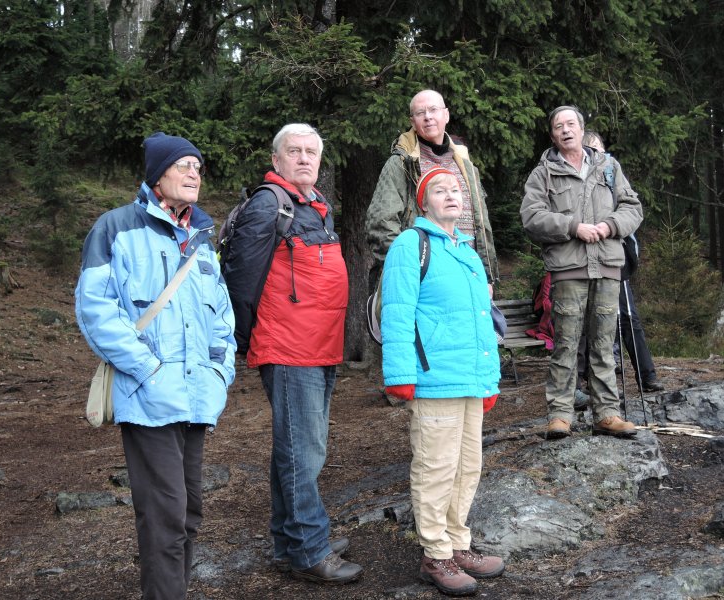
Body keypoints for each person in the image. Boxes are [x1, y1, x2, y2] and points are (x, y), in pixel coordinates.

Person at [75, 132, 236, 599]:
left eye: (198, 168)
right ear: (157, 175)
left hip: (197, 396)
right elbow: (95, 310)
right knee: (165, 512)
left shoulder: (203, 240)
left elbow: (222, 319)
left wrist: (219, 372)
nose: (194, 174)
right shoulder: (115, 228)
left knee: (189, 512)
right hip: (148, 398)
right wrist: (146, 369)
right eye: (183, 165)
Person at [222, 123, 363, 584]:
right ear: (277, 159)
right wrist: (248, 341)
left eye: (311, 152)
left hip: (320, 347)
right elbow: (241, 280)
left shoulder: (315, 208)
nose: (304, 159)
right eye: (294, 151)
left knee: (298, 448)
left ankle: (289, 539)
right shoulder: (270, 204)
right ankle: (309, 549)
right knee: (304, 451)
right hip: (288, 349)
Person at [381, 167, 504, 596]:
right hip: (434, 380)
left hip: (469, 379)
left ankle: (457, 543)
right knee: (436, 468)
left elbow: (481, 324)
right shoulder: (409, 245)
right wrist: (399, 376)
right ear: (423, 201)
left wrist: (489, 380)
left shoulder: (467, 252)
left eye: (457, 189)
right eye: (440, 189)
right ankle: (435, 554)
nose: (451, 195)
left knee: (468, 466)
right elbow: (395, 313)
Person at [520, 106, 643, 440]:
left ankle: (607, 414)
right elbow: (531, 217)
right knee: (566, 344)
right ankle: (560, 415)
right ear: (552, 135)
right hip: (567, 270)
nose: (565, 130)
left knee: (604, 344)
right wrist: (574, 227)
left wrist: (609, 225)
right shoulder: (543, 173)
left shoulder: (609, 166)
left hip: (607, 267)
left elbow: (633, 208)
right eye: (558, 126)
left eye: (570, 123)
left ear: (582, 128)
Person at [366, 89, 499, 290]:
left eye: (433, 110)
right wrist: (412, 270)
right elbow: (381, 224)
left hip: (469, 276)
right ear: (413, 121)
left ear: (446, 115)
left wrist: (486, 276)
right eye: (420, 113)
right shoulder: (401, 164)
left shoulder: (467, 166)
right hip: (423, 282)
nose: (428, 117)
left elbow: (481, 224)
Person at [582, 130, 664, 394]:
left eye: (598, 149)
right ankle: (583, 378)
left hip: (613, 255)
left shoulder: (613, 173)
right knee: (584, 320)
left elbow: (630, 210)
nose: (595, 154)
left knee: (628, 318)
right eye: (589, 149)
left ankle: (647, 375)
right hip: (582, 259)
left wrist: (611, 228)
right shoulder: (577, 179)